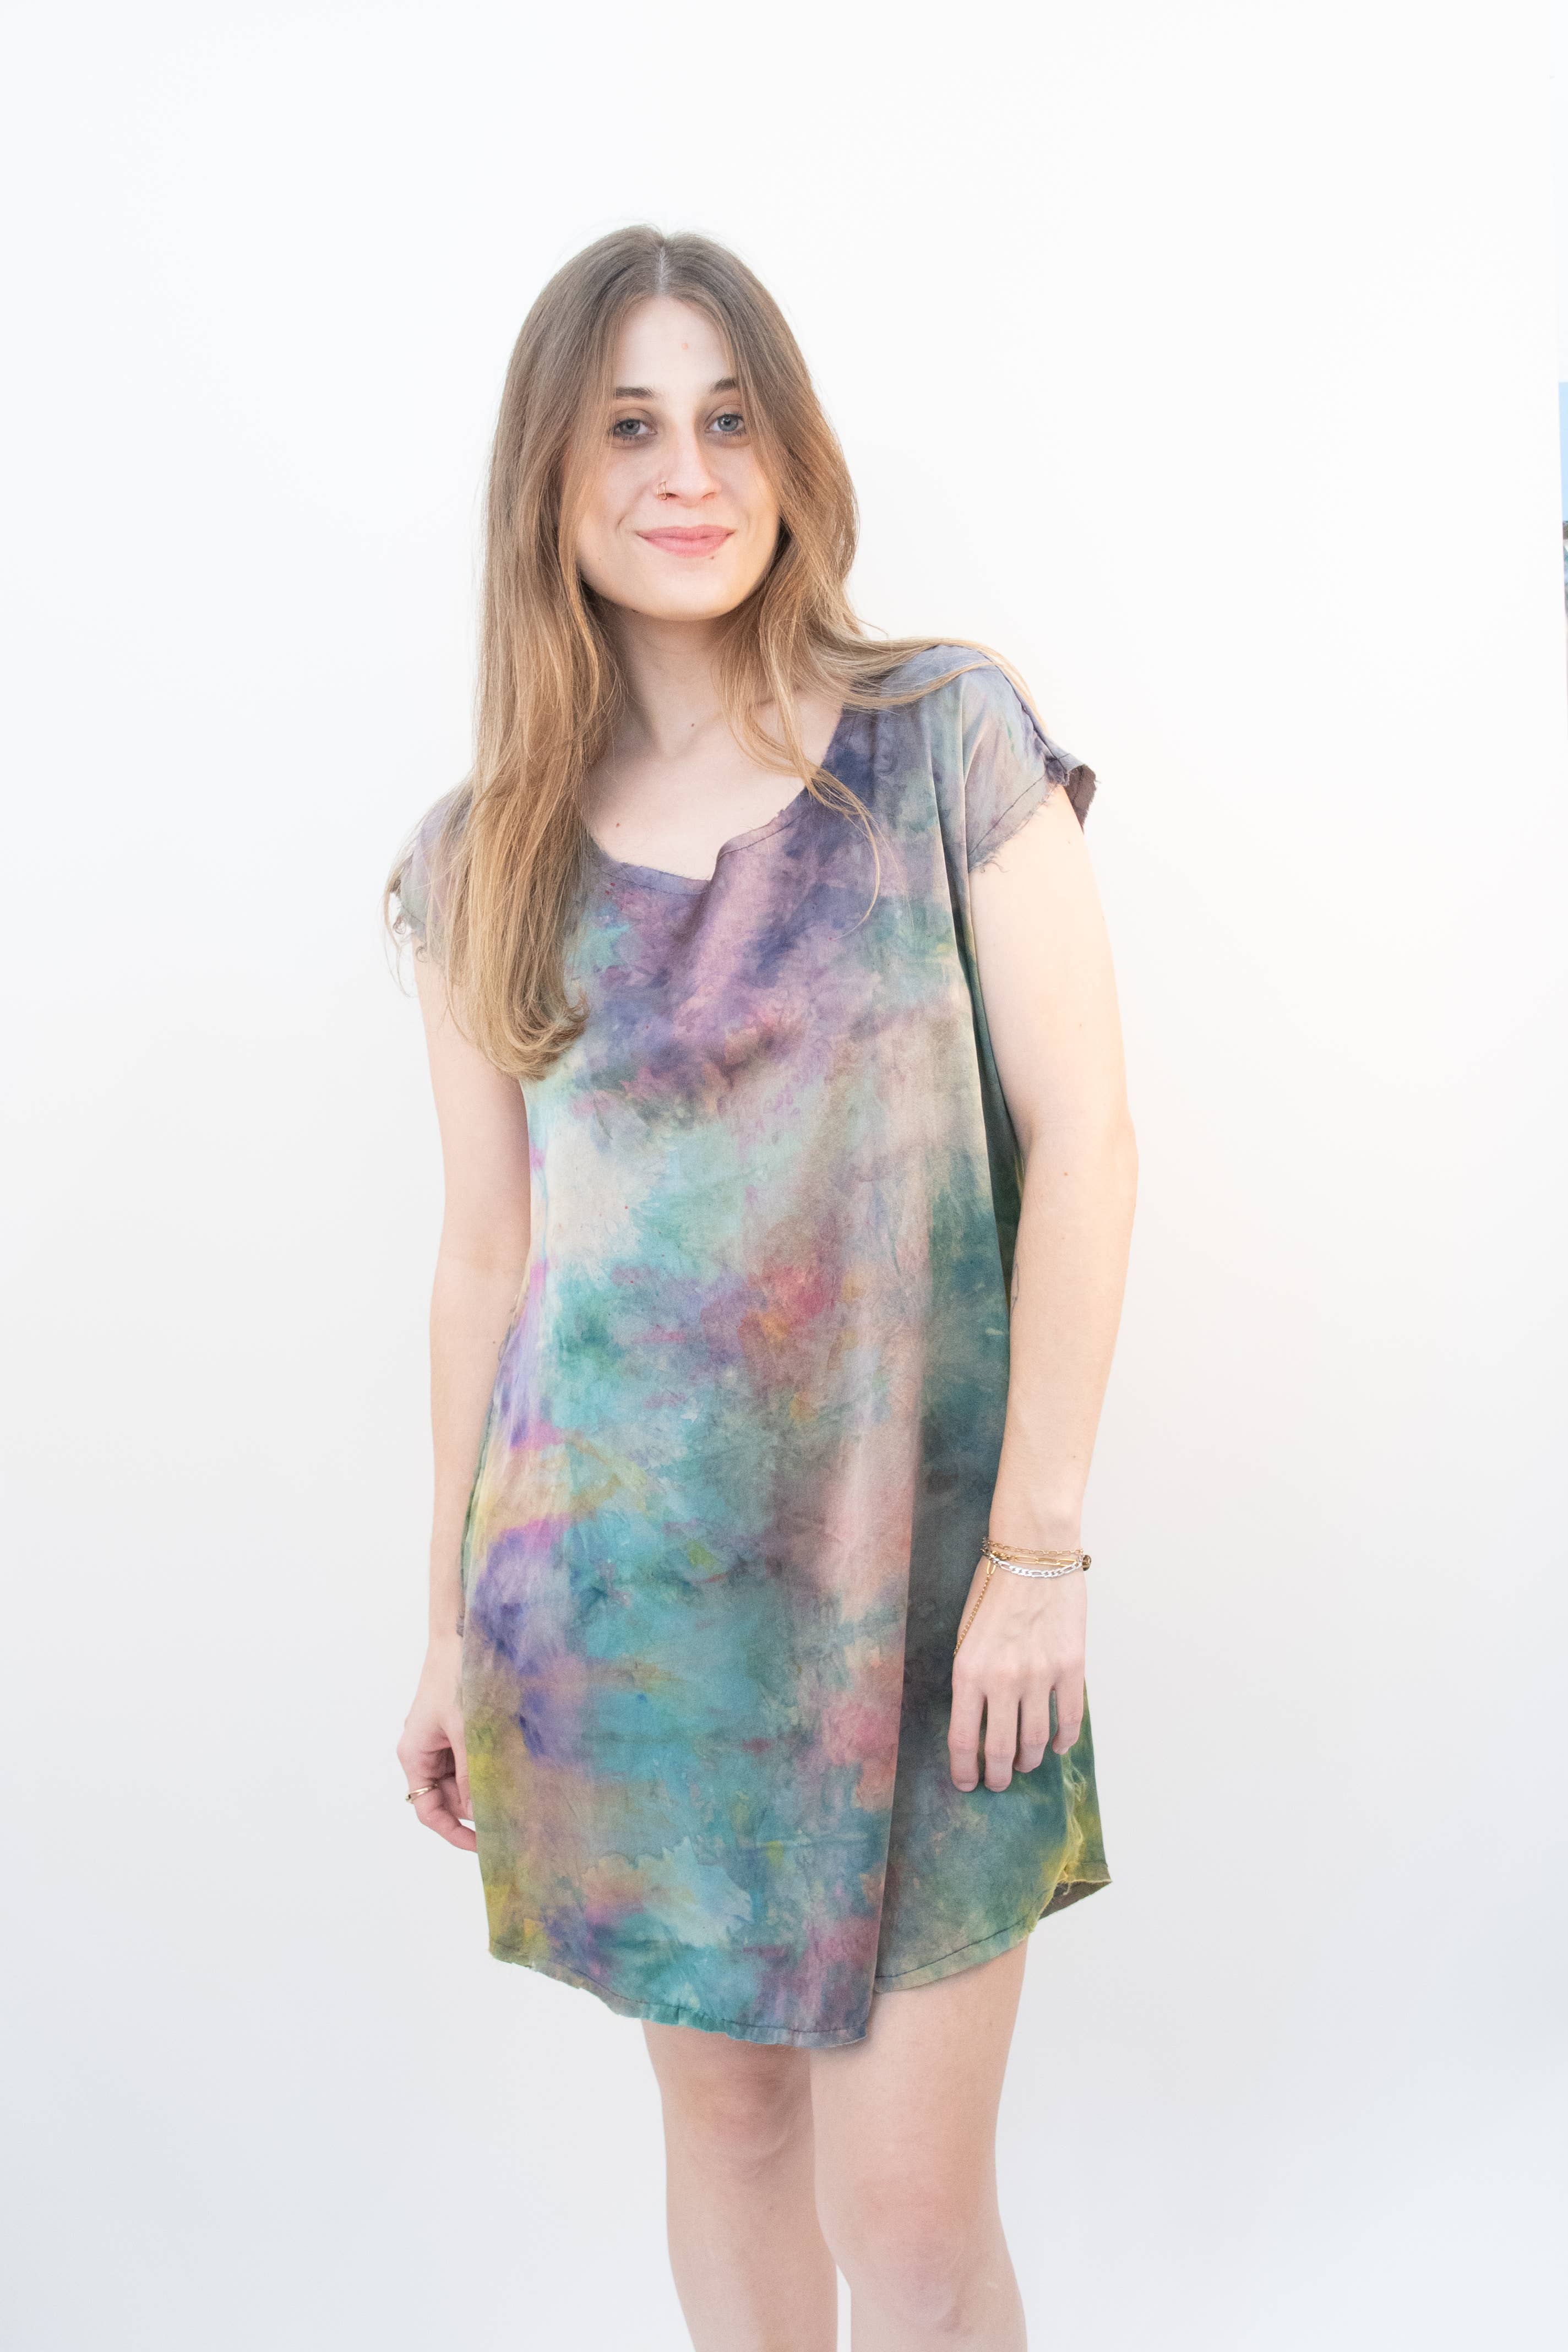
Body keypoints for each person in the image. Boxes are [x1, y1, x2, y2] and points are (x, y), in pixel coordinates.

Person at [388, 223, 1137, 2352]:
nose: (688, 471)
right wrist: (441, 1626)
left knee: (912, 2225)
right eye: (628, 426)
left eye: (729, 417)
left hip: (927, 1608)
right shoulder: (482, 862)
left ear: (794, 452)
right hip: (631, 1629)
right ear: (551, 477)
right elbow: (488, 1256)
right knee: (724, 2138)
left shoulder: (941, 742)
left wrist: (1040, 1554)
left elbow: (1089, 1143)